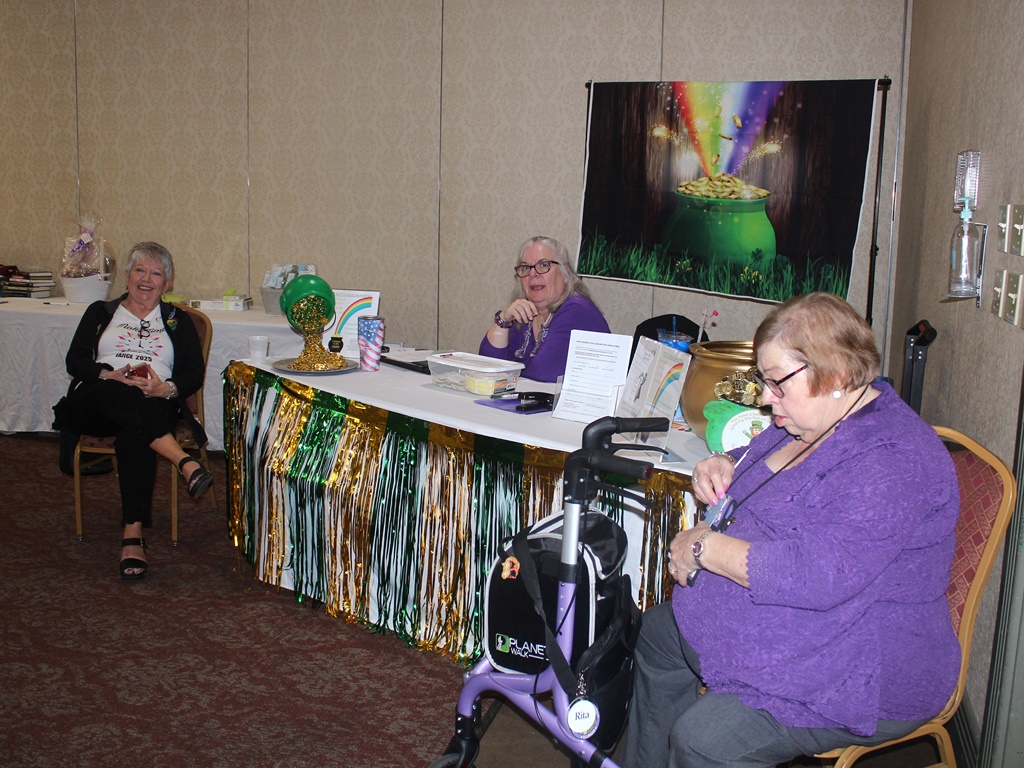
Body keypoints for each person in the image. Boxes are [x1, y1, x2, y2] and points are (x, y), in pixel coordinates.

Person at [621, 292, 960, 768]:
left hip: (863, 666)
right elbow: (766, 466)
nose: (765, 397)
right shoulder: (813, 418)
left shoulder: (894, 460)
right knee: (659, 634)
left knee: (702, 740)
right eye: (764, 381)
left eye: (776, 382)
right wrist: (723, 463)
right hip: (797, 627)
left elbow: (817, 574)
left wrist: (704, 548)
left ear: (836, 375)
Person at [62, 242, 213, 581]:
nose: (146, 279)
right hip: (98, 400)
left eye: (156, 273)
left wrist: (165, 389)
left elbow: (193, 374)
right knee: (118, 392)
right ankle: (184, 462)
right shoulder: (101, 312)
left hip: (153, 401)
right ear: (127, 276)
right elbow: (75, 360)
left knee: (137, 432)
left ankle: (132, 534)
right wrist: (107, 374)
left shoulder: (178, 321)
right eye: (140, 270)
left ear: (167, 283)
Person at [479, 236, 610, 382]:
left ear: (565, 272)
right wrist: (503, 319)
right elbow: (487, 366)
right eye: (525, 268)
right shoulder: (524, 311)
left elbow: (543, 372)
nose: (533, 274)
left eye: (544, 265)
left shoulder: (577, 310)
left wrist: (507, 367)